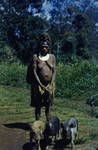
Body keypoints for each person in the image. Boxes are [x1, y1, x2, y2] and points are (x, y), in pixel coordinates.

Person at [26, 33, 56, 120]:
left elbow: (54, 71)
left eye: (46, 47)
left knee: (48, 104)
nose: (44, 48)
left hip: (49, 85)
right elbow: (34, 72)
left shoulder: (52, 57)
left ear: (48, 48)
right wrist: (41, 85)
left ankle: (48, 122)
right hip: (38, 85)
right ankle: (38, 122)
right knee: (38, 104)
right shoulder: (36, 57)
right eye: (42, 46)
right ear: (40, 47)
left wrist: (51, 84)